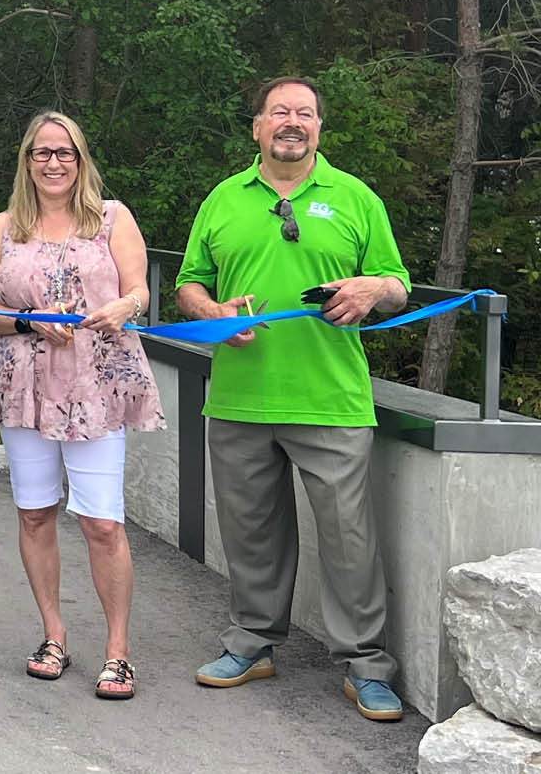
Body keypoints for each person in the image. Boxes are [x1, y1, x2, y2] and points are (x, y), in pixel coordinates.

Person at [175, 76, 411, 722]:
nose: (292, 121)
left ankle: (366, 665)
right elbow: (189, 284)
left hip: (330, 397)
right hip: (239, 397)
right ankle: (253, 643)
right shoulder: (223, 199)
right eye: (280, 111)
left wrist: (369, 288)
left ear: (318, 129)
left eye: (304, 113)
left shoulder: (356, 197)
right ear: (257, 126)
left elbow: (398, 284)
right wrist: (214, 310)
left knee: (349, 538)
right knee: (249, 533)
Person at [0, 111, 163, 700]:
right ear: (27, 161)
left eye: (65, 152)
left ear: (81, 160)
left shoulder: (112, 217)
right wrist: (27, 320)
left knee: (102, 522)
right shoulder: (4, 226)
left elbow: (139, 289)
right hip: (24, 384)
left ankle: (118, 652)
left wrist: (123, 308)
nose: (53, 163)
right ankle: (54, 635)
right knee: (35, 513)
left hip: (95, 385)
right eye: (41, 152)